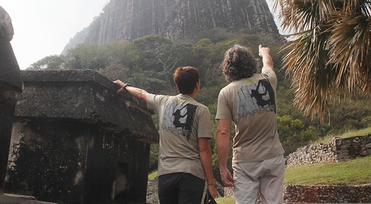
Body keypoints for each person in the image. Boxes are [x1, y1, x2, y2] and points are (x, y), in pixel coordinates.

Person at [114, 66, 218, 204]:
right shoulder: (201, 110)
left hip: (166, 174)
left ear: (177, 85)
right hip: (191, 174)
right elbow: (203, 149)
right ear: (197, 85)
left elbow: (141, 93)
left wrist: (124, 86)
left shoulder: (163, 101)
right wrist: (210, 183)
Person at [215, 44, 285, 204]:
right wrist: (264, 52)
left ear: (228, 68)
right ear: (251, 63)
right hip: (273, 155)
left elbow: (223, 132)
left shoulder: (226, 93)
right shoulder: (268, 81)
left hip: (245, 160)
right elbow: (268, 64)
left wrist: (222, 166)